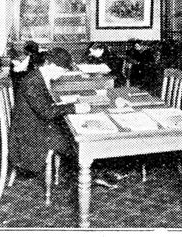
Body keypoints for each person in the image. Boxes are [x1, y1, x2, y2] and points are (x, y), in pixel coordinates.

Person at [9, 47, 122, 189]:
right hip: (30, 135)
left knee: (75, 132)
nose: (62, 74)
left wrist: (66, 105)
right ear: (51, 64)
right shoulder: (32, 81)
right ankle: (92, 175)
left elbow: (44, 105)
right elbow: (46, 112)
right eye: (62, 70)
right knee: (77, 142)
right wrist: (74, 107)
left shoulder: (38, 76)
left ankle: (98, 171)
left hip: (34, 126)